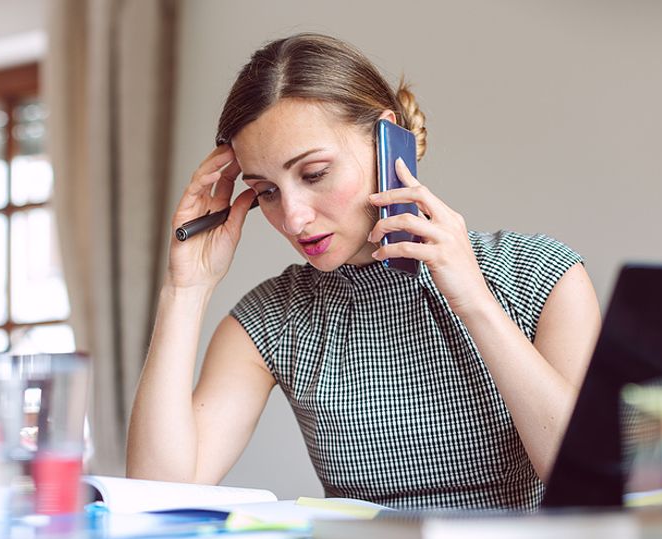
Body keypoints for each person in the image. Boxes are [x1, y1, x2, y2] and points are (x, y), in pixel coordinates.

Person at [127, 33, 601, 510]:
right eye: (266, 191)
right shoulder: (271, 321)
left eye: (314, 174)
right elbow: (158, 497)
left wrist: (473, 302)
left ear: (385, 138)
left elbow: (590, 487)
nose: (293, 218)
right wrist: (184, 288)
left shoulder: (540, 274)